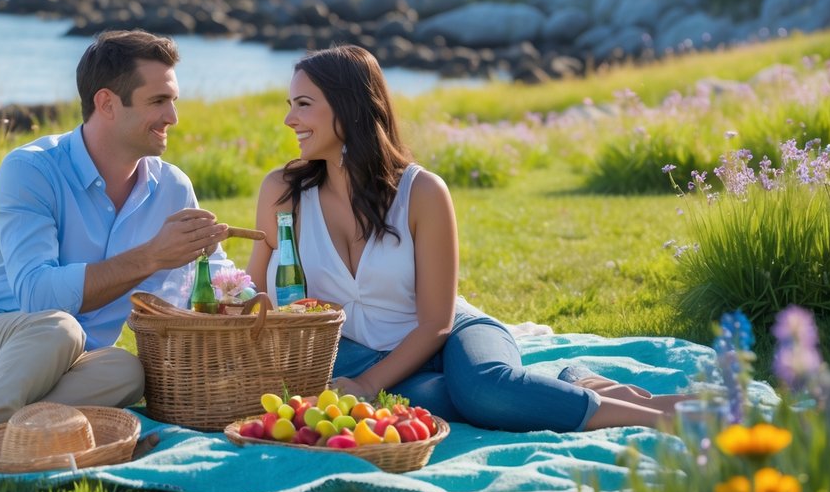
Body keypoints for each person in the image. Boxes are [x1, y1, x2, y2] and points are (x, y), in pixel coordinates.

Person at [245, 45, 686, 432]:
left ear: (349, 107)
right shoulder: (284, 192)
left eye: (303, 104)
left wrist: (366, 386)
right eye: (290, 104)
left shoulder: (422, 192)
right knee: (432, 402)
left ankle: (666, 417)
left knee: (482, 393)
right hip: (357, 354)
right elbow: (255, 294)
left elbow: (436, 321)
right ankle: (570, 385)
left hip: (449, 332)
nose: (289, 119)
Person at [0, 30, 230, 465]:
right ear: (107, 103)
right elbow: (38, 296)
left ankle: (22, 439)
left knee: (128, 371)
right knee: (59, 327)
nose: (173, 116)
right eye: (158, 101)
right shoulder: (31, 169)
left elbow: (214, 280)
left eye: (173, 100)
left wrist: (246, 300)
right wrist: (151, 256)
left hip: (61, 371)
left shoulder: (172, 187)